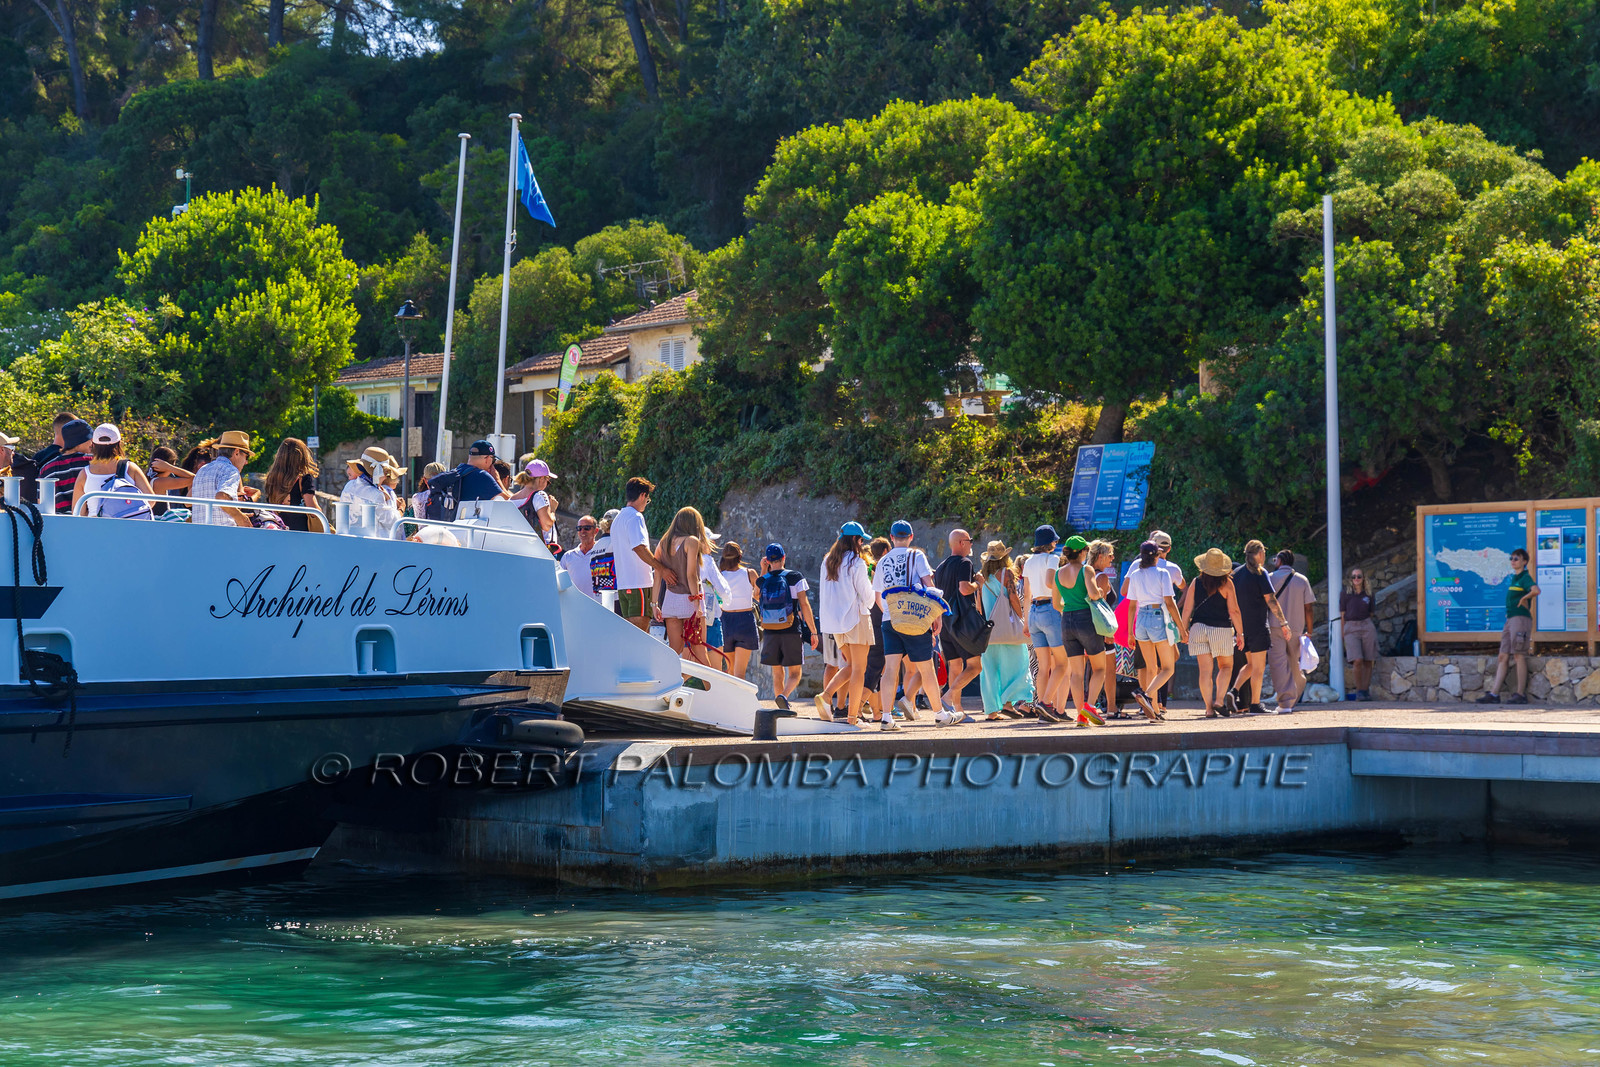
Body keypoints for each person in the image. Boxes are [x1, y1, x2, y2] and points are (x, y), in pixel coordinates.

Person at [872, 520, 943, 730]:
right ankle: (940, 714)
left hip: (890, 619)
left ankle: (886, 718)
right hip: (915, 617)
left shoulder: (882, 562)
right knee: (926, 668)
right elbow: (929, 585)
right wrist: (936, 615)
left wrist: (891, 613)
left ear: (892, 538)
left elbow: (877, 597)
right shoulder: (916, 555)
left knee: (890, 669)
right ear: (911, 537)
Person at [1224, 540, 1293, 715]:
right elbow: (1271, 600)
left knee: (1250, 664)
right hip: (1258, 626)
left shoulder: (1236, 574)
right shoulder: (1260, 573)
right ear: (1260, 553)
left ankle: (1233, 691)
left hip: (1243, 627)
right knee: (1258, 668)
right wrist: (1283, 622)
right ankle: (1255, 704)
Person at [816, 522, 875, 724]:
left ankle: (826, 696)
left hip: (835, 623)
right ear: (855, 540)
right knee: (859, 669)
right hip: (856, 618)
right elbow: (868, 596)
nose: (862, 543)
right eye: (861, 540)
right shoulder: (857, 563)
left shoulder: (827, 561)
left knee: (851, 666)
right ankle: (851, 717)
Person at [1122, 539, 1185, 720]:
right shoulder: (1162, 573)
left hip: (1141, 619)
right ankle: (1147, 695)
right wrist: (1181, 628)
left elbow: (1131, 605)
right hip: (1158, 617)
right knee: (1168, 668)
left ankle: (1154, 712)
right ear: (1157, 556)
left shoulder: (1135, 574)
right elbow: (1170, 603)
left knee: (1151, 668)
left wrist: (1130, 632)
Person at [1182, 548, 1247, 718]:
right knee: (1226, 666)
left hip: (1198, 628)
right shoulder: (1227, 583)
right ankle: (1219, 701)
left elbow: (1187, 609)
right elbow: (1234, 611)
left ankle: (1209, 709)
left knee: (1205, 671)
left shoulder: (1196, 582)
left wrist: (1183, 630)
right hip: (1221, 629)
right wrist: (1240, 633)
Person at [1053, 535, 1109, 726]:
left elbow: (1056, 604)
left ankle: (1081, 716)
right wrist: (1100, 593)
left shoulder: (1058, 573)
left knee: (1076, 673)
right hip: (1086, 620)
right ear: (1083, 552)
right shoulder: (1087, 569)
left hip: (1067, 622)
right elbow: (1093, 594)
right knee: (1100, 668)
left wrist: (1069, 609)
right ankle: (1090, 707)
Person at [757, 543, 819, 710]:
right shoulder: (795, 577)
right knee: (795, 673)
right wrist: (813, 631)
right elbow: (804, 605)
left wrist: (763, 569)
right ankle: (783, 696)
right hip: (791, 629)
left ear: (768, 560)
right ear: (784, 557)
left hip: (770, 631)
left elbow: (757, 596)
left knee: (777, 673)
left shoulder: (763, 579)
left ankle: (781, 708)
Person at [978, 541, 1033, 721]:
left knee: (990, 670)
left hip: (988, 631)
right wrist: (1021, 619)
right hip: (1008, 629)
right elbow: (1013, 598)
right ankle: (1008, 703)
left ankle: (991, 711)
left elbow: (978, 605)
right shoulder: (1006, 573)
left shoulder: (981, 576)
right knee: (1019, 665)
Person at [1476, 548, 1538, 705]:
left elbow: (1536, 590)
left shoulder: (1524, 577)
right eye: (1511, 558)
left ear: (1524, 561)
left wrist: (1524, 598)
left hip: (1520, 619)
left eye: (1516, 558)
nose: (1513, 561)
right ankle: (1494, 694)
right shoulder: (1514, 578)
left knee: (1518, 655)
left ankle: (1520, 694)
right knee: (1503, 656)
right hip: (1510, 619)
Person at [612, 477, 673, 631]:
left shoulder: (618, 519)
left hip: (624, 585)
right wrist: (662, 568)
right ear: (642, 495)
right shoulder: (635, 517)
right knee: (640, 636)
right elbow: (639, 547)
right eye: (647, 498)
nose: (647, 502)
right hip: (638, 583)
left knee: (630, 634)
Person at [933, 528, 983, 719]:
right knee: (975, 666)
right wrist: (978, 583)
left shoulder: (941, 566)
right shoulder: (964, 562)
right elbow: (964, 589)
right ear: (962, 543)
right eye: (970, 541)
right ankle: (948, 697)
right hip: (961, 622)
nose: (971, 545)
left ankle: (957, 710)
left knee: (955, 665)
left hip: (945, 621)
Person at [652, 506, 714, 657]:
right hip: (689, 600)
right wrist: (696, 603)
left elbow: (657, 574)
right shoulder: (691, 541)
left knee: (674, 651)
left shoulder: (663, 542)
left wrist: (654, 604)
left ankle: (665, 673)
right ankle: (708, 678)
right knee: (700, 652)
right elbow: (691, 575)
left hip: (670, 602)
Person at [1020, 525, 1064, 721]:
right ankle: (1046, 703)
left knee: (1043, 666)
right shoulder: (1053, 559)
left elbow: (1027, 593)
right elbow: (1050, 582)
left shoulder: (1029, 562)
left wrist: (1026, 622)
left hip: (1034, 613)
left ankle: (1043, 708)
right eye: (1055, 540)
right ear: (1050, 543)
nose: (1056, 543)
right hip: (1050, 609)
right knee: (1062, 663)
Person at [1266, 550, 1316, 713]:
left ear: (1280, 561)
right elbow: (1308, 608)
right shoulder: (1302, 580)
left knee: (1278, 664)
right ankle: (1297, 689)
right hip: (1296, 628)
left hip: (1275, 626)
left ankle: (1285, 702)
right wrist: (1309, 631)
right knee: (1294, 663)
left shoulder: (1270, 578)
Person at [69, 423, 154, 519]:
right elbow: (151, 500)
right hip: (128, 526)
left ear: (93, 445)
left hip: (96, 526)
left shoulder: (85, 474)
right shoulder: (130, 468)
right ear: (119, 444)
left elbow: (77, 511)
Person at [190, 430, 256, 527]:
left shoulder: (203, 470)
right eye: (247, 456)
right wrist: (241, 518)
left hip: (199, 531)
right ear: (236, 452)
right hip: (223, 532)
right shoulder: (231, 470)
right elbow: (221, 497)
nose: (246, 462)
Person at [717, 542, 761, 680]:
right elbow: (759, 596)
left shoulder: (720, 575)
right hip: (745, 621)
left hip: (726, 620)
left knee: (730, 670)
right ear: (740, 556)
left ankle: (729, 694)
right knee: (740, 673)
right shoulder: (750, 573)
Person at [340, 446, 404, 538]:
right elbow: (393, 523)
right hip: (373, 543)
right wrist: (400, 508)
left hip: (350, 539)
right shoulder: (376, 495)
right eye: (386, 472)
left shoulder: (349, 485)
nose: (386, 476)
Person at [861, 536, 891, 720]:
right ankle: (856, 707)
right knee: (875, 668)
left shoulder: (868, 570)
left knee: (873, 669)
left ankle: (877, 712)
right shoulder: (882, 570)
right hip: (880, 621)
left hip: (868, 620)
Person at [264, 437, 321, 532]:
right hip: (301, 533)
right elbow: (313, 510)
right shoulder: (304, 478)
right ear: (301, 456)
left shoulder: (272, 479)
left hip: (279, 530)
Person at [39, 418, 94, 514]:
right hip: (86, 521)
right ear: (81, 441)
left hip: (57, 522)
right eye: (90, 439)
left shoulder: (46, 468)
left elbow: (41, 503)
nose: (92, 442)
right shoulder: (91, 462)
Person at [1341, 567, 1380, 701]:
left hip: (1366, 625)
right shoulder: (1345, 594)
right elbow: (1342, 614)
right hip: (1351, 626)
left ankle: (1365, 690)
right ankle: (1359, 690)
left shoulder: (1368, 594)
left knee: (1369, 659)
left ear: (1363, 578)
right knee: (1357, 660)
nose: (1356, 579)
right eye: (1354, 577)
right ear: (1350, 579)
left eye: (1359, 576)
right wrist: (1342, 633)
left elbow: (1371, 612)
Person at [511, 459, 560, 545]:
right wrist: (552, 509)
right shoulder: (539, 496)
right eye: (548, 481)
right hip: (540, 548)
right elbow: (547, 525)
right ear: (541, 479)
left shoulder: (512, 499)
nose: (547, 484)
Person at [562, 514, 602, 601]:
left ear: (596, 531)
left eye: (587, 528)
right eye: (579, 528)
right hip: (574, 604)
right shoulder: (568, 556)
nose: (582, 531)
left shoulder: (602, 553)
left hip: (598, 605)